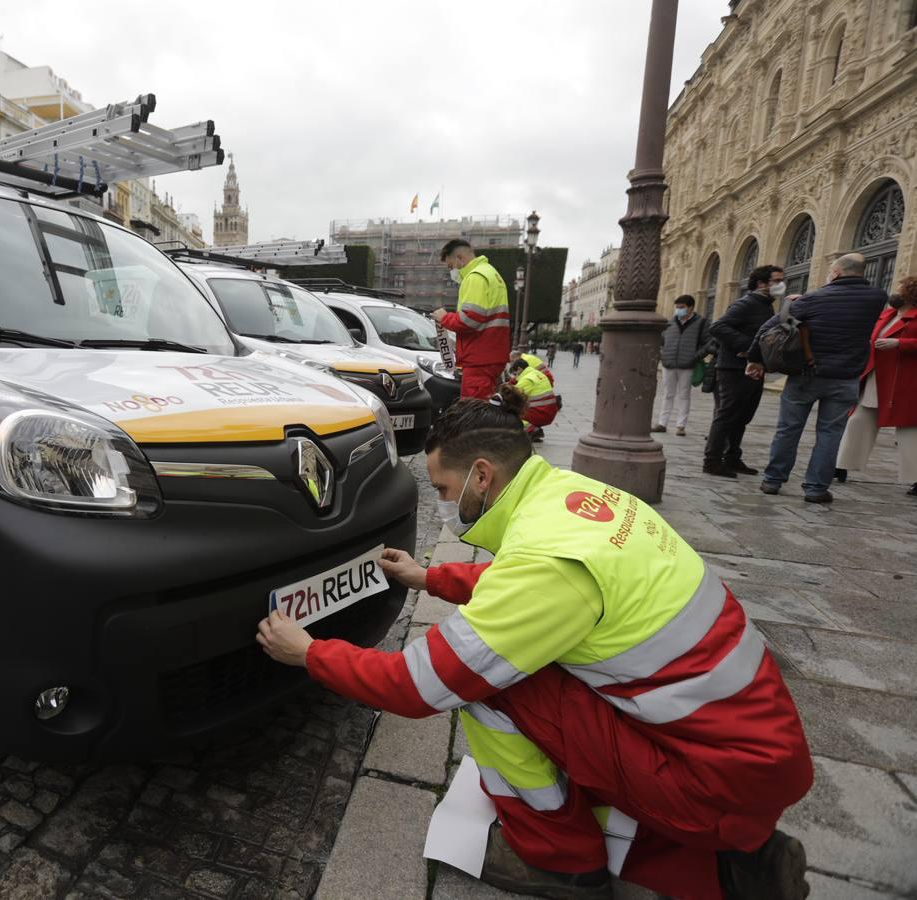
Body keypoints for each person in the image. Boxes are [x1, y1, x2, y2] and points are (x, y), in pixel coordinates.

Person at [256, 389, 812, 900]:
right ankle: (738, 865)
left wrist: (308, 652)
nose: (446, 504)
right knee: (513, 662)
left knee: (484, 685)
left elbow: (419, 686)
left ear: (481, 475)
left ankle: (559, 860)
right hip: (747, 755)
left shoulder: (547, 565)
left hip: (713, 784)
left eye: (445, 490)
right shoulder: (574, 498)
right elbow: (533, 593)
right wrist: (432, 579)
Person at [748, 253, 889, 502]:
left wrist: (754, 359)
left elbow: (768, 328)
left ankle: (773, 480)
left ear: (835, 273)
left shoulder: (812, 299)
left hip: (806, 374)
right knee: (830, 433)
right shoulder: (877, 297)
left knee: (788, 429)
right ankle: (815, 488)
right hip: (845, 377)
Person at [836, 276, 917, 496]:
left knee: (909, 430)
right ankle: (841, 465)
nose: (896, 291)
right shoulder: (889, 313)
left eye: (901, 288)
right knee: (859, 420)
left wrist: (900, 343)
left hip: (906, 382)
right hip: (875, 376)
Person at [703, 265, 785, 478]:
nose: (781, 284)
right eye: (776, 280)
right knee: (727, 415)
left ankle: (732, 457)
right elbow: (718, 327)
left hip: (754, 369)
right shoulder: (747, 303)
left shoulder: (766, 305)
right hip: (733, 369)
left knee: (742, 416)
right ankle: (712, 461)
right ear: (761, 284)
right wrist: (748, 348)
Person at [433, 239, 511, 400]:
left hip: (479, 359)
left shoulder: (474, 278)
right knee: (486, 408)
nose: (451, 271)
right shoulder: (491, 273)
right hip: (491, 355)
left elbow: (469, 319)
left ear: (459, 258)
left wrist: (444, 317)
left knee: (473, 410)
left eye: (450, 266)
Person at [654, 294, 712, 437]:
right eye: (677, 307)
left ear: (691, 307)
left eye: (682, 307)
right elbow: (660, 341)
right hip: (669, 363)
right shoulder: (670, 322)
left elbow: (708, 343)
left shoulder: (701, 322)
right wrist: (663, 355)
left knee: (684, 395)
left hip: (688, 364)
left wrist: (695, 357)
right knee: (668, 394)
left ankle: (680, 426)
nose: (679, 310)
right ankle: (662, 423)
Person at [507, 357, 558, 441]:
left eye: (515, 374)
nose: (515, 377)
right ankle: (535, 429)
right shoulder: (537, 373)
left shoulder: (526, 380)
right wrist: (514, 380)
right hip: (548, 411)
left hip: (540, 413)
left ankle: (531, 430)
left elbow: (511, 396)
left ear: (519, 369)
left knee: (509, 413)